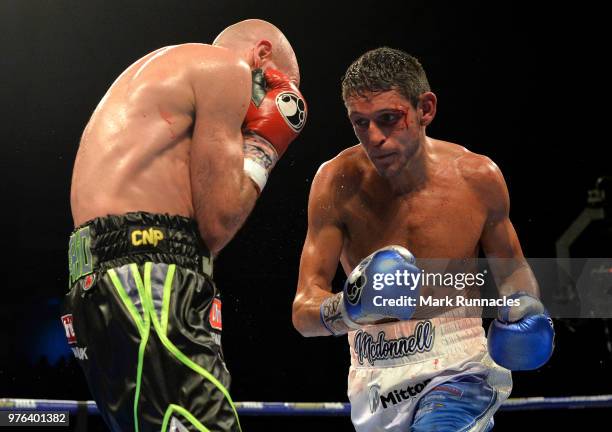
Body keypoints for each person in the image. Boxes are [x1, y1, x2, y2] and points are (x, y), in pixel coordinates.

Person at [63, 19, 307, 432]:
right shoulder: (225, 69)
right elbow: (219, 222)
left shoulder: (166, 71)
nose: (266, 104)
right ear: (262, 57)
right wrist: (266, 144)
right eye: (281, 87)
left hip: (97, 285)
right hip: (149, 281)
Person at [292, 47, 553, 431]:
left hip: (460, 366)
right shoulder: (335, 184)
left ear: (425, 109)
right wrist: (348, 307)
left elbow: (512, 269)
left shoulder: (477, 178)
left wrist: (525, 308)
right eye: (360, 123)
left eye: (388, 119)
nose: (374, 137)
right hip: (375, 374)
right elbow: (303, 312)